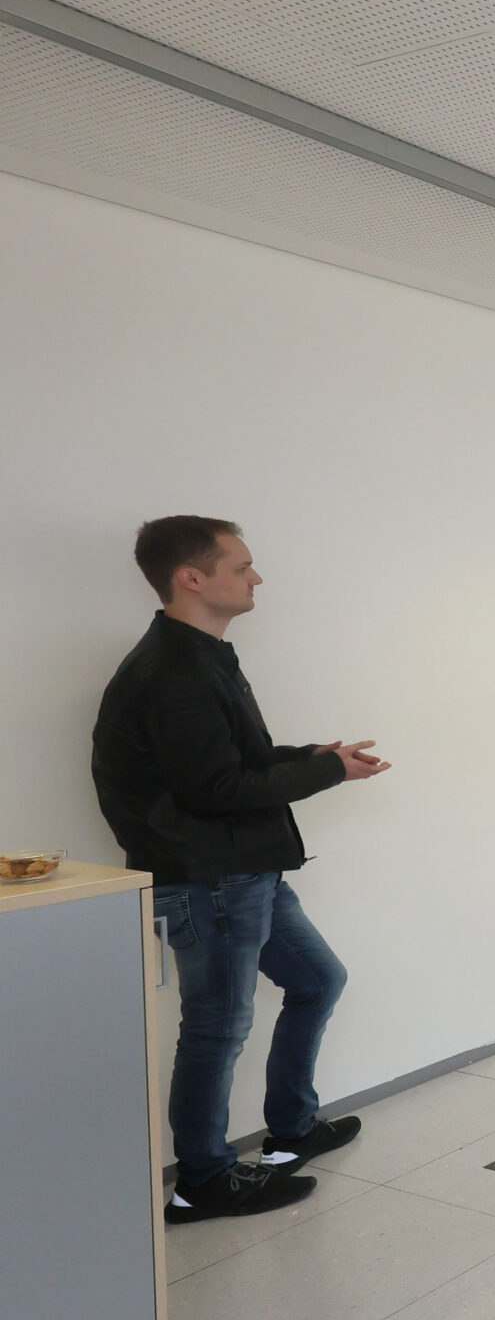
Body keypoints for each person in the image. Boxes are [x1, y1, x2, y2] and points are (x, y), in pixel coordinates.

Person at [93, 518, 388, 1223]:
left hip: (240, 869)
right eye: (242, 566)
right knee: (217, 1028)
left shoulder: (199, 656)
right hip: (208, 879)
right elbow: (215, 790)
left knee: (317, 980)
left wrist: (311, 756)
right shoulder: (176, 672)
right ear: (192, 577)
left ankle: (291, 1133)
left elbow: (224, 765)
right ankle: (202, 1181)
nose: (256, 577)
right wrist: (325, 772)